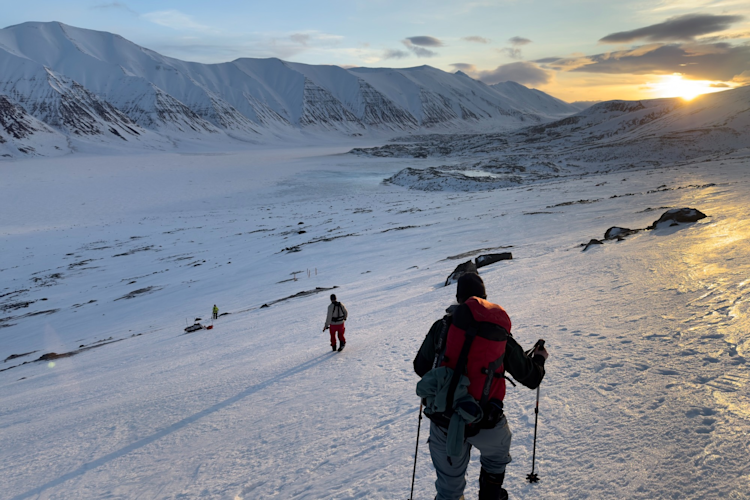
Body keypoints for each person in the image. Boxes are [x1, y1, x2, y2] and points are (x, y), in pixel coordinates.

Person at [413, 273, 548, 500]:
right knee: (496, 459)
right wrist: (540, 359)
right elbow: (531, 378)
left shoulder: (443, 327)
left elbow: (420, 367)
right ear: (484, 297)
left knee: (449, 491)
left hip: (445, 422)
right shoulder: (498, 332)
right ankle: (490, 493)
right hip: (488, 421)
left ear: (459, 299)